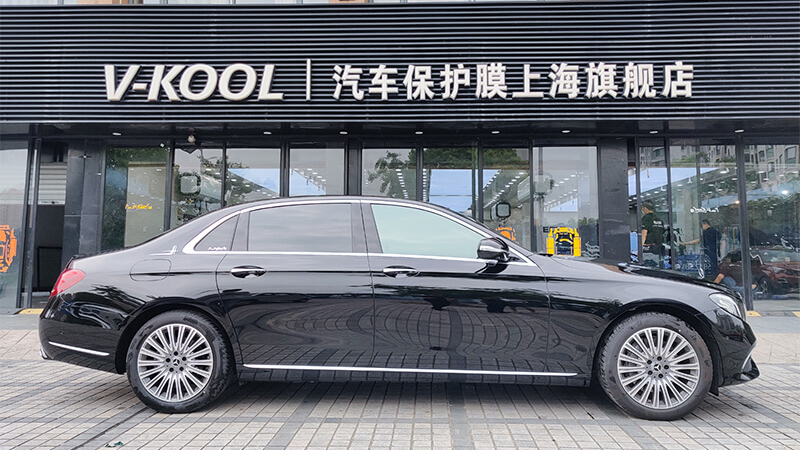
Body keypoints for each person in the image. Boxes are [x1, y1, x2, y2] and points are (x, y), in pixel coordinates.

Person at [641, 201, 665, 268]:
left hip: (648, 248)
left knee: (647, 266)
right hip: (658, 247)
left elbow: (644, 232)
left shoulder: (646, 218)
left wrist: (640, 247)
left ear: (645, 208)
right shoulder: (659, 219)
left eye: (642, 208)